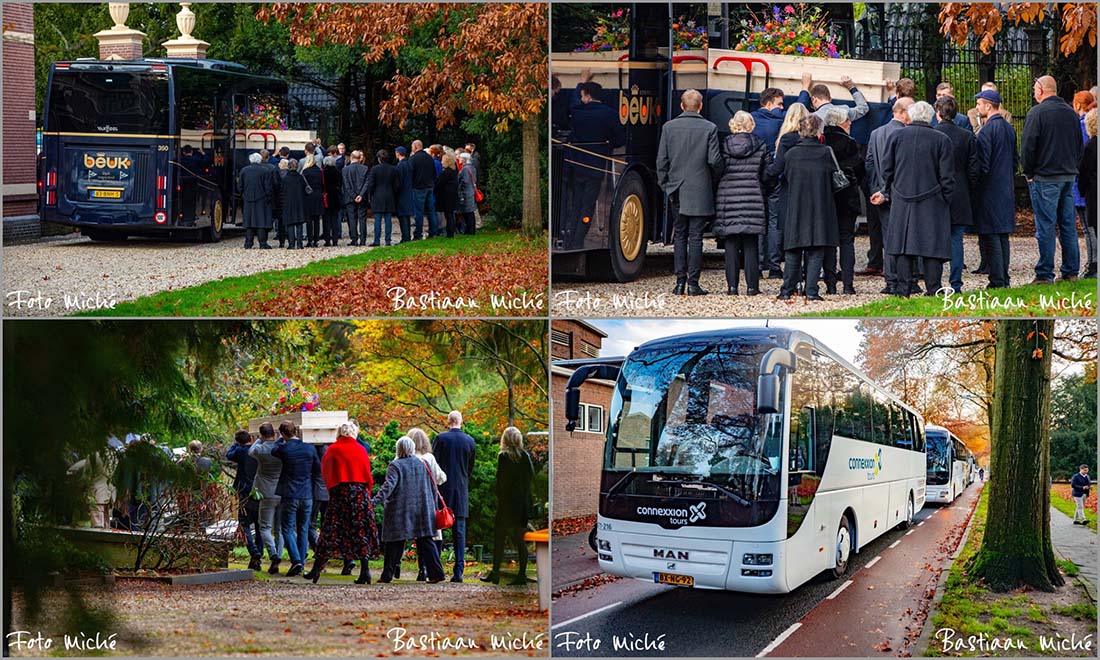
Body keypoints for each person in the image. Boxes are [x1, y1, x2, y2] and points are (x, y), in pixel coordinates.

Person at [874, 101, 954, 296]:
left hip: (902, 197)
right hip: (933, 199)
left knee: (903, 246)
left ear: (910, 116)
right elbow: (947, 176)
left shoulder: (897, 136)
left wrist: (892, 190)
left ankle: (903, 289)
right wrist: (945, 197)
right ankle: (933, 288)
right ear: (931, 116)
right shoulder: (941, 140)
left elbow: (886, 169)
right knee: (932, 247)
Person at [657, 88, 722, 296]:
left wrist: (666, 186)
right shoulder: (710, 128)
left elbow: (661, 161)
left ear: (681, 106)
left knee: (680, 236)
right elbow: (714, 160)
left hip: (676, 188)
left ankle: (679, 282)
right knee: (696, 237)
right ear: (700, 106)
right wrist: (714, 180)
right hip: (700, 188)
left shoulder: (669, 128)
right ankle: (693, 284)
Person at [1023, 75, 1085, 284]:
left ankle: (1044, 273)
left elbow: (1029, 146)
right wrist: (1073, 167)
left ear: (1041, 90)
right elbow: (1079, 146)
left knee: (1046, 225)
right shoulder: (1070, 113)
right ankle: (1070, 271)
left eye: (1034, 89)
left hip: (1045, 176)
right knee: (1067, 224)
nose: (1033, 92)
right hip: (1068, 175)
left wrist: (1029, 172)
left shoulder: (1037, 113)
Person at [304, 424, 379, 584]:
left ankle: (316, 569)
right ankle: (365, 571)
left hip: (340, 493)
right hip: (360, 494)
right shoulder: (360, 449)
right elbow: (367, 474)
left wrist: (333, 491)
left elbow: (327, 473)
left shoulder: (333, 450)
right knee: (361, 531)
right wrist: (367, 493)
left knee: (330, 531)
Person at [778, 115, 838, 301]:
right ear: (819, 131)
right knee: (816, 251)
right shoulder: (826, 153)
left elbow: (783, 176)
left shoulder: (791, 154)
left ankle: (787, 289)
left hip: (795, 206)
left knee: (793, 251)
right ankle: (812, 291)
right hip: (820, 206)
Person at [565, 71, 626, 250]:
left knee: (575, 203)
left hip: (576, 165)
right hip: (597, 166)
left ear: (588, 96)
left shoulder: (578, 112)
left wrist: (581, 82)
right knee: (588, 205)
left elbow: (573, 102)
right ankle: (578, 239)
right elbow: (620, 140)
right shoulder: (610, 114)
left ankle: (570, 238)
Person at [372, 436, 446, 583]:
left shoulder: (395, 465)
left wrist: (373, 502)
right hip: (422, 509)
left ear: (398, 449)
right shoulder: (423, 463)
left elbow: (388, 487)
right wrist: (433, 507)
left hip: (400, 510)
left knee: (395, 542)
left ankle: (387, 575)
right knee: (426, 540)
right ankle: (436, 573)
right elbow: (432, 486)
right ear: (412, 449)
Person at [714, 111, 772, 296]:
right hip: (753, 196)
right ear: (751, 125)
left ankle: (732, 287)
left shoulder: (723, 145)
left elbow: (717, 167)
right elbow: (768, 172)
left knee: (730, 243)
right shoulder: (760, 145)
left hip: (728, 197)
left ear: (733, 125)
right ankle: (752, 287)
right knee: (751, 244)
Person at [933, 95, 983, 293]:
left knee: (935, 239)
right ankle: (956, 282)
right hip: (960, 191)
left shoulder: (933, 134)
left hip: (936, 192)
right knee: (956, 239)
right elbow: (973, 168)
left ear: (938, 112)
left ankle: (934, 282)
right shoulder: (966, 135)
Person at [865, 97, 914, 294]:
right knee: (907, 239)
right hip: (902, 194)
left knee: (888, 238)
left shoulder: (876, 133)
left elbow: (869, 163)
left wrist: (876, 189)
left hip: (881, 193)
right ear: (901, 112)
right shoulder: (906, 134)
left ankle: (890, 280)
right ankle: (907, 279)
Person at [973, 88, 1018, 289]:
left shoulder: (987, 131)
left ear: (988, 106)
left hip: (990, 189)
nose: (977, 107)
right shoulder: (1009, 128)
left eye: (979, 104)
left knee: (991, 235)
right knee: (1002, 235)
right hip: (1006, 187)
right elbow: (1015, 161)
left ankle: (997, 280)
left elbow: (983, 164)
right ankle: (1004, 278)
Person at [481, 427, 535, 586]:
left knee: (499, 537)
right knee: (520, 539)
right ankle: (521, 575)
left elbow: (501, 482)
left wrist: (500, 497)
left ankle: (496, 572)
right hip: (523, 504)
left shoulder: (503, 457)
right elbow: (530, 478)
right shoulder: (525, 456)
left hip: (507, 504)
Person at [765, 102, 812, 281]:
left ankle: (775, 265)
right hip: (806, 187)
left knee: (777, 224)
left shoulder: (785, 138)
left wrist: (765, 174)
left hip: (786, 186)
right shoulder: (809, 138)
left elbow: (778, 167)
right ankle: (806, 266)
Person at [822, 107, 865, 295]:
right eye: (848, 120)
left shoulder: (821, 140)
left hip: (827, 196)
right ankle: (848, 284)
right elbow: (860, 170)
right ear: (840, 123)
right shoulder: (849, 143)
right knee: (847, 240)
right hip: (847, 196)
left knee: (829, 242)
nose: (850, 123)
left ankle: (830, 284)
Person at [272, 421, 322, 577]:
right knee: (303, 529)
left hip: (290, 494)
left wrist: (281, 439)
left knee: (287, 528)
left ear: (283, 434)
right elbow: (318, 469)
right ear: (297, 431)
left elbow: (274, 450)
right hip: (307, 494)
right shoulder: (309, 448)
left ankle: (296, 561)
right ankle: (300, 562)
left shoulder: (284, 448)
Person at [433, 410, 476, 582]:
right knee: (459, 532)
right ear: (461, 421)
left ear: (448, 421)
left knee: (438, 529)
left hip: (443, 490)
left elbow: (434, 465)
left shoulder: (440, 439)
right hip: (461, 490)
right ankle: (458, 571)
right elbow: (470, 467)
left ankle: (436, 569)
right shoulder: (470, 441)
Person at [751, 88, 787, 276]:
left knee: (758, 220)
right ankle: (774, 266)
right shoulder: (780, 123)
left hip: (755, 176)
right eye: (779, 104)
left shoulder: (751, 120)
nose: (782, 108)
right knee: (774, 221)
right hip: (775, 176)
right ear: (769, 103)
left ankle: (757, 264)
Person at [410, 428, 446, 581]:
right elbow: (441, 478)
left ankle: (421, 570)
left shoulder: (406, 457)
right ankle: (433, 570)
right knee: (431, 536)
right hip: (429, 500)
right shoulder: (429, 458)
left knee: (420, 537)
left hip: (411, 501)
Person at [249, 423, 285, 574]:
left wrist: (258, 439)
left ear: (262, 435)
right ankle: (278, 557)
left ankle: (273, 554)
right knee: (280, 529)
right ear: (274, 433)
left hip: (266, 492)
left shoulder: (260, 450)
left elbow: (250, 451)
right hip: (281, 492)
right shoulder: (280, 449)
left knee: (264, 527)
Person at [227, 430, 262, 570]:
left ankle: (254, 551)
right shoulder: (258, 451)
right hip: (259, 490)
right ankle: (257, 558)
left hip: (243, 491)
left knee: (243, 523)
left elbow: (229, 454)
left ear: (239, 441)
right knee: (260, 526)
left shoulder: (241, 452)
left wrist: (236, 444)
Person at [1073, 92, 1097, 277]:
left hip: (1085, 186)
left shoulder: (1081, 126)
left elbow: (1081, 160)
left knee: (1088, 227)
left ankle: (1093, 263)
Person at [797, 73, 870, 122]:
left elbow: (797, 113)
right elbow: (863, 108)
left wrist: (805, 87)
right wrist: (851, 87)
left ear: (814, 99)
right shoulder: (844, 111)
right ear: (830, 99)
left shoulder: (812, 118)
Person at [238, 153, 274, 250]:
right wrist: (268, 198)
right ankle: (262, 243)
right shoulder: (265, 171)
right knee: (261, 221)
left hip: (248, 199)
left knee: (249, 222)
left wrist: (244, 195)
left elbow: (240, 186)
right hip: (262, 199)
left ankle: (248, 243)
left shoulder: (244, 170)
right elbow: (268, 187)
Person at [1079, 108, 1098, 279]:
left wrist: (1081, 190)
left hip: (1093, 194)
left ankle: (1094, 265)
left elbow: (1084, 174)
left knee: (1092, 229)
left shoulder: (1090, 147)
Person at [368, 149, 399, 246]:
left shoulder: (374, 169)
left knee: (377, 220)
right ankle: (388, 240)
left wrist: (371, 195)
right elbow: (396, 185)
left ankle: (377, 240)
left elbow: (371, 184)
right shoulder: (393, 169)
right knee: (388, 219)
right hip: (389, 195)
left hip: (377, 196)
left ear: (379, 159)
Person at [410, 140, 438, 239]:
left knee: (419, 212)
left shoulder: (413, 159)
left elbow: (411, 174)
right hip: (429, 186)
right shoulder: (430, 158)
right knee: (431, 210)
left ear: (416, 147)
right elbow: (434, 173)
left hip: (418, 188)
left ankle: (418, 233)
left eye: (412, 146)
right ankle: (433, 232)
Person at [341, 151, 370, 246]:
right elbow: (367, 183)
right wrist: (361, 195)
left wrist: (354, 196)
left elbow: (346, 185)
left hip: (350, 197)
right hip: (362, 197)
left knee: (352, 218)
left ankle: (354, 239)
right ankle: (363, 240)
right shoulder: (365, 168)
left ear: (351, 157)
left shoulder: (345, 170)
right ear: (359, 158)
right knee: (362, 218)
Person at [301, 155, 325, 248]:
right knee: (317, 219)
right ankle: (316, 240)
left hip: (309, 196)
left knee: (309, 220)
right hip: (318, 195)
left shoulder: (305, 172)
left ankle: (310, 240)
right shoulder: (319, 171)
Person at [435, 153, 460, 238]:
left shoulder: (445, 173)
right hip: (452, 195)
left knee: (448, 215)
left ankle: (450, 232)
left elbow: (439, 184)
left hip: (446, 196)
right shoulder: (453, 171)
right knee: (450, 214)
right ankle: (451, 231)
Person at [393, 147, 415, 243]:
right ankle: (407, 236)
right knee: (407, 216)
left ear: (398, 154)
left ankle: (405, 237)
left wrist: (395, 191)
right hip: (409, 191)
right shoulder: (409, 164)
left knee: (402, 216)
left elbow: (398, 182)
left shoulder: (400, 166)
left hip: (402, 194)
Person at [321, 155, 343, 246]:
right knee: (334, 220)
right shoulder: (338, 172)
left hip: (326, 198)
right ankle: (335, 240)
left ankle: (327, 240)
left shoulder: (323, 173)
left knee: (326, 221)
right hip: (335, 198)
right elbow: (340, 184)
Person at [457, 152, 478, 235]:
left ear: (465, 160)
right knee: (470, 212)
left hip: (466, 192)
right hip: (471, 191)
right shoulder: (472, 168)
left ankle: (469, 231)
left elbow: (464, 181)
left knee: (468, 213)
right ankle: (470, 230)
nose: (459, 159)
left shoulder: (465, 169)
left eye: (461, 158)